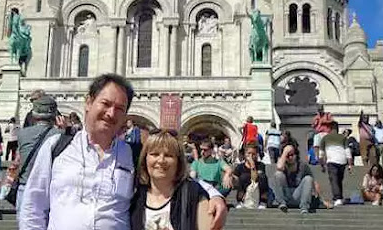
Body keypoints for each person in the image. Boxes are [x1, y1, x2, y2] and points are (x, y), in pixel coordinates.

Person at [20, 73, 228, 230]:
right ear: (88, 102)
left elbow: (175, 174)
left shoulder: (133, 154)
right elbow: (33, 207)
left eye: (120, 109)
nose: (111, 113)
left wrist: (214, 194)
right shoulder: (57, 147)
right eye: (106, 104)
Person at [131, 130, 213, 230]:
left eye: (168, 155)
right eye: (155, 154)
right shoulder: (135, 196)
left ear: (178, 162)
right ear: (145, 159)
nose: (161, 160)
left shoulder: (193, 194)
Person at [15, 94, 62, 211]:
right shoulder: (61, 135)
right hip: (48, 190)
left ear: (34, 115)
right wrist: (64, 129)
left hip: (25, 187)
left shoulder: (21, 134)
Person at [319, 122, 353, 207]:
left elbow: (321, 154)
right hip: (342, 161)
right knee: (339, 179)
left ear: (329, 129)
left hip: (331, 161)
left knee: (334, 179)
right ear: (337, 129)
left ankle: (337, 198)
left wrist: (322, 165)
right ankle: (340, 197)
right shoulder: (343, 138)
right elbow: (347, 151)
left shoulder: (325, 138)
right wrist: (350, 164)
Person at [274, 145, 316, 213]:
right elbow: (279, 167)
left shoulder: (303, 166)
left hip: (298, 195)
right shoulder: (283, 164)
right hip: (286, 195)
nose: (290, 157)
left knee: (308, 178)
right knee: (278, 174)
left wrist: (322, 200)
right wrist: (285, 152)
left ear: (296, 155)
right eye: (288, 155)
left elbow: (314, 182)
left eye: (292, 155)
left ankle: (304, 207)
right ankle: (282, 204)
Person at [232, 142, 269, 209]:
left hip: (257, 191)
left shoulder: (261, 165)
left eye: (253, 154)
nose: (251, 156)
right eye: (249, 153)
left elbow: (255, 178)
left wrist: (252, 164)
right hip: (245, 193)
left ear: (256, 155)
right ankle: (240, 201)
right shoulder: (240, 167)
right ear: (245, 154)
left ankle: (263, 202)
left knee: (262, 177)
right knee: (243, 177)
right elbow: (235, 181)